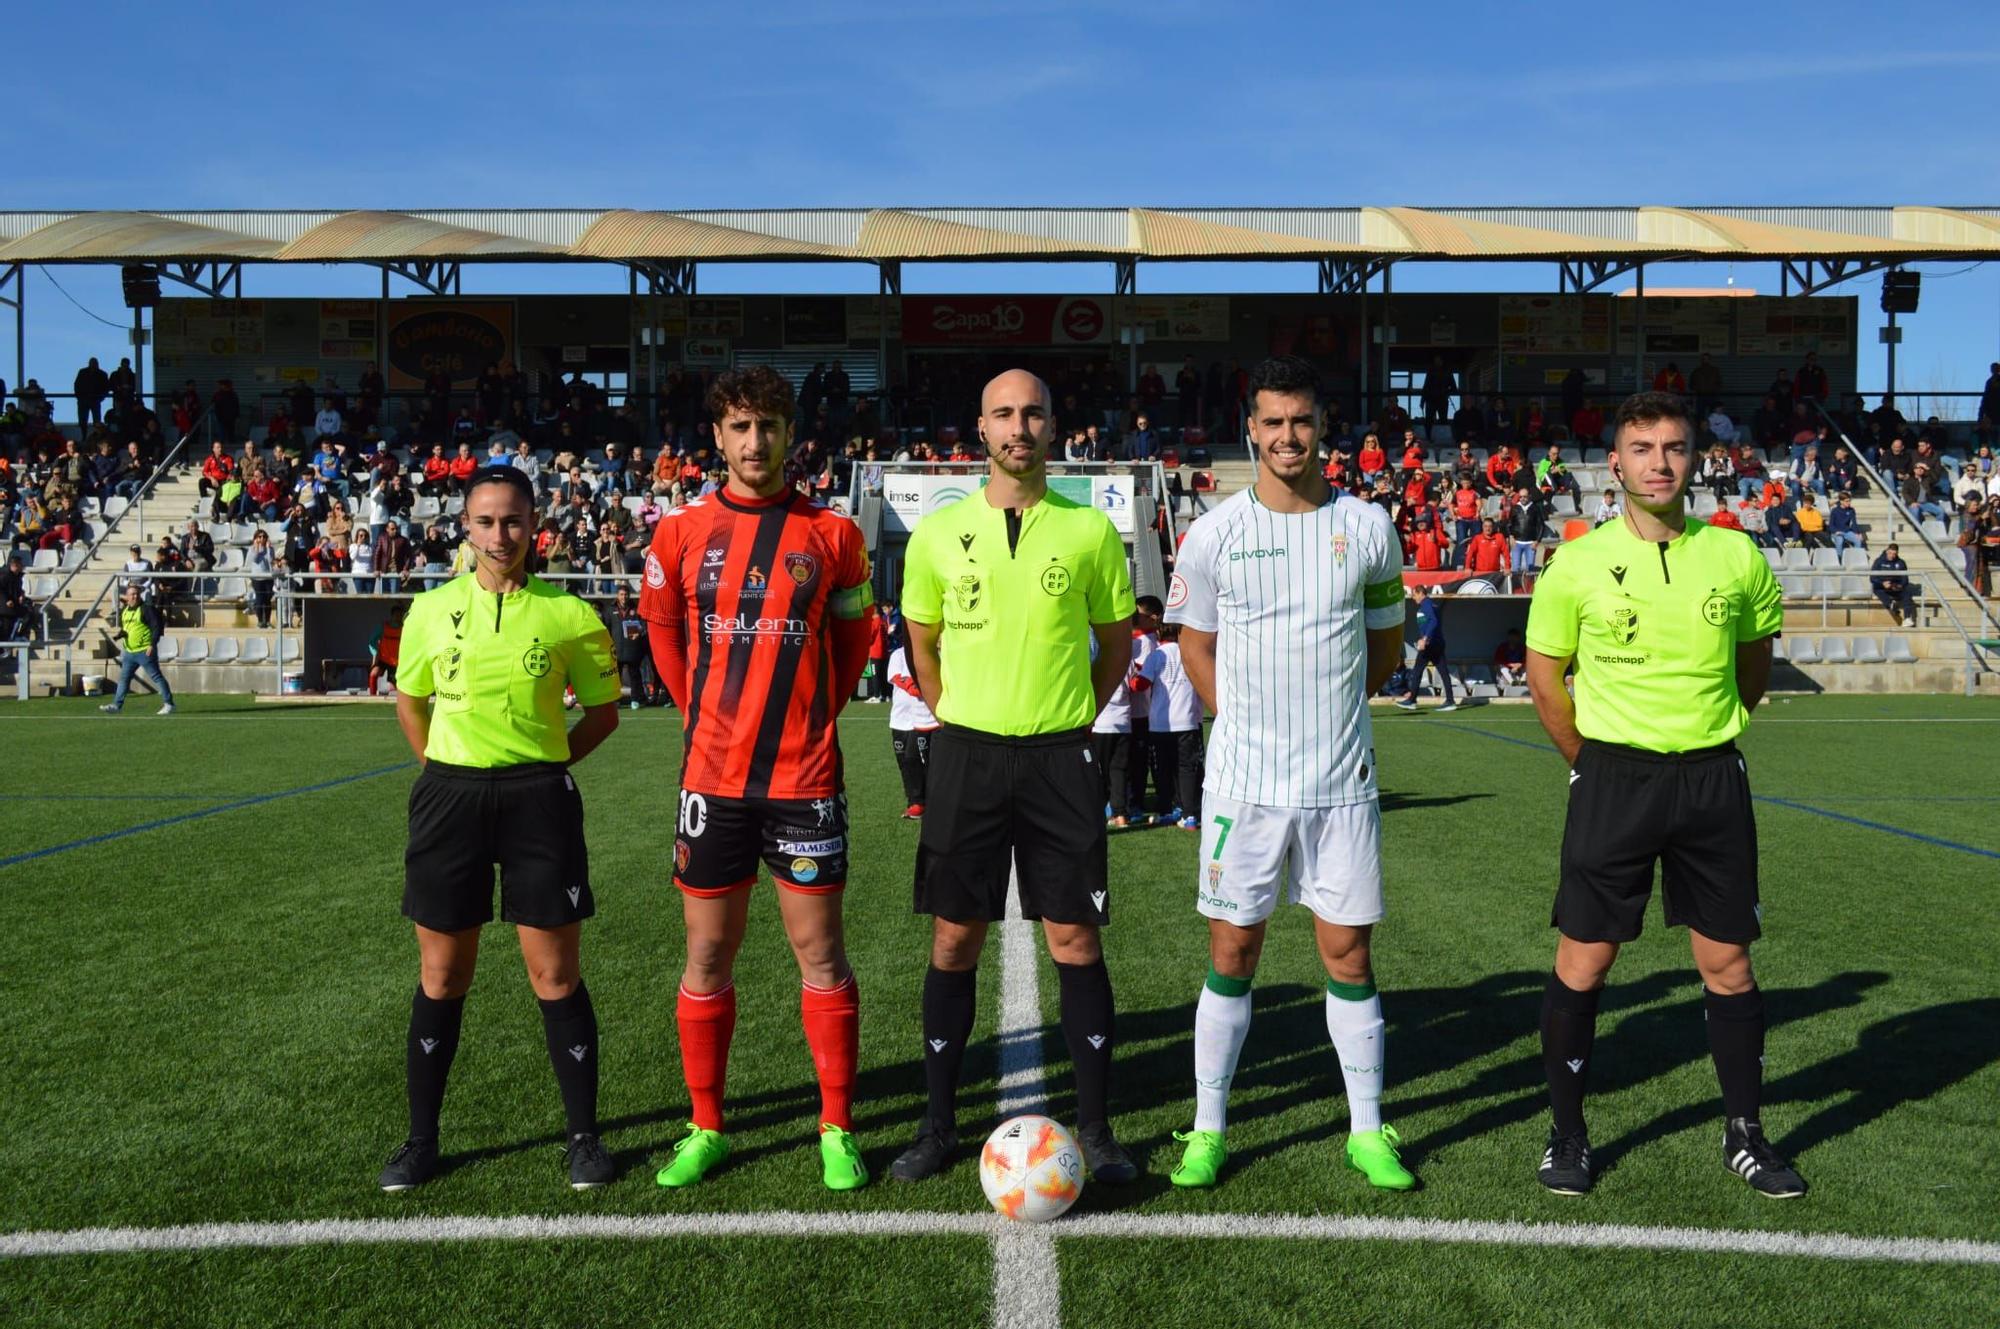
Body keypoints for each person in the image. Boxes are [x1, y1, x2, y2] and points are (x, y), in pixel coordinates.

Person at [1524, 390, 1803, 1200]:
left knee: (1728, 961)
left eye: (1673, 447)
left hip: (1712, 777)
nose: (1658, 462)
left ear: (1697, 459)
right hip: (1613, 776)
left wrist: (1709, 736)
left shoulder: (1737, 557)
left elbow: (1752, 671)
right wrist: (1592, 761)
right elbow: (1546, 680)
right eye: (1641, 448)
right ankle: (1568, 1134)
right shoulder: (1574, 561)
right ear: (1615, 463)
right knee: (1586, 958)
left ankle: (1745, 1133)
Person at [1163, 354, 1415, 1192]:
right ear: (1251, 430)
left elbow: (1384, 646)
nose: (1287, 436)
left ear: (1323, 430)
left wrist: (1332, 712)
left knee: (1347, 953)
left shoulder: (1370, 527)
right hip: (1245, 784)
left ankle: (1368, 1130)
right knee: (1233, 948)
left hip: (1340, 782)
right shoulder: (1215, 531)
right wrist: (1234, 723)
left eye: (1300, 421)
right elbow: (1194, 643)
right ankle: (1208, 1128)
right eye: (1272, 422)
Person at [891, 367, 1138, 1186]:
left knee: (1074, 936)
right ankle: (936, 1126)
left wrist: (1069, 715)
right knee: (954, 937)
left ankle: (1097, 1129)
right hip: (965, 751)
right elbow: (921, 642)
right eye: (1004, 412)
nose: (1019, 426)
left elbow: (1117, 644)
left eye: (1033, 410)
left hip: (1060, 756)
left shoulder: (1091, 533)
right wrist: (952, 712)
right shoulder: (936, 533)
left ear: (1053, 422)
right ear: (981, 426)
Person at [638, 365, 876, 1193]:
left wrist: (815, 715)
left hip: (803, 776)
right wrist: (701, 715)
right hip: (712, 778)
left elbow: (854, 644)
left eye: (768, 425)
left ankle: (837, 1125)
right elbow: (665, 642)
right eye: (739, 427)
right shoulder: (678, 533)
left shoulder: (832, 534)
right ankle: (707, 1124)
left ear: (790, 432)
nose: (754, 441)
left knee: (820, 950)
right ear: (717, 436)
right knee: (707, 953)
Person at [377, 466, 623, 1193]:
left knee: (554, 974)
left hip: (539, 801)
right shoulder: (428, 609)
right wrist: (443, 772)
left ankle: (584, 1138)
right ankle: (422, 1141)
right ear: (465, 525)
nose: (498, 535)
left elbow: (603, 713)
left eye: (511, 520)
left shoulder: (570, 614)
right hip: (448, 798)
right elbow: (409, 701)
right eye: (484, 521)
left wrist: (546, 766)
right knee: (442, 975)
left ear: (533, 524)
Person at [98, 584, 175, 715]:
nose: (135, 596)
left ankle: (169, 704)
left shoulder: (146, 609)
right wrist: (120, 635)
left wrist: (152, 644)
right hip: (129, 652)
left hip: (145, 651)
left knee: (156, 677)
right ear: (127, 597)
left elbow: (157, 627)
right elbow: (127, 629)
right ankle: (117, 705)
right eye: (132, 594)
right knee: (124, 679)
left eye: (137, 594)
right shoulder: (125, 611)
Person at [887, 630, 939, 819]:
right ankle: (914, 801)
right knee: (905, 763)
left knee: (918, 760)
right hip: (900, 720)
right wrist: (914, 685)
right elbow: (895, 677)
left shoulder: (933, 655)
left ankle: (921, 801)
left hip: (923, 719)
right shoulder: (898, 654)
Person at [1396, 584, 1456, 712]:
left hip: (1430, 645)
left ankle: (1412, 700)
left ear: (1420, 593)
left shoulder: (1426, 605)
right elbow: (1430, 623)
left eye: (1413, 595)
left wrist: (1425, 638)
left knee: (1417, 671)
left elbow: (1433, 621)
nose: (1413, 598)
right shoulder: (1431, 605)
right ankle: (1450, 700)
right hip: (1437, 643)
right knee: (1443, 672)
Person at [605, 584, 649, 709]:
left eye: (626, 594)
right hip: (616, 648)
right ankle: (615, 699)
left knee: (635, 675)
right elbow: (606, 628)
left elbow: (643, 625)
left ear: (629, 595)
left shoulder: (637, 608)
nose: (624, 597)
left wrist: (639, 632)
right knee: (615, 677)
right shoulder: (610, 610)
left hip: (633, 647)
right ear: (617, 596)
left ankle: (635, 699)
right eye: (621, 594)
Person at [1870, 544, 1916, 624]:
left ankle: (1907, 618)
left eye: (1894, 554)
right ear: (1887, 551)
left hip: (1895, 587)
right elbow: (1872, 578)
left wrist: (1900, 585)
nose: (1892, 556)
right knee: (1877, 589)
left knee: (1907, 594)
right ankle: (1891, 604)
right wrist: (1882, 583)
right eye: (1890, 553)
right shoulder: (1878, 561)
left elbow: (1905, 579)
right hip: (1882, 587)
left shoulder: (1901, 563)